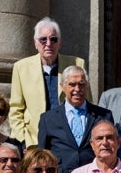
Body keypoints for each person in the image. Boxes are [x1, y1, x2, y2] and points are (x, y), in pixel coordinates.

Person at [36, 66, 117, 173]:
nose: (77, 89)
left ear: (87, 85)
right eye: (72, 84)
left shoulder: (103, 115)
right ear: (63, 86)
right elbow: (41, 155)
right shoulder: (48, 119)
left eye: (81, 84)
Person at [9, 17, 85, 147]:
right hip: (34, 140)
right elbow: (16, 108)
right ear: (35, 43)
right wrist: (23, 140)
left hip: (68, 140)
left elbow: (85, 101)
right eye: (43, 39)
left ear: (59, 43)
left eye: (53, 39)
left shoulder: (76, 63)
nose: (48, 44)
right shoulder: (21, 67)